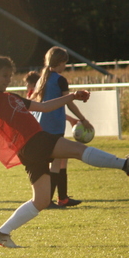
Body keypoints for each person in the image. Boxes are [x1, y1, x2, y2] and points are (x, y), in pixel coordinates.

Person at [0, 55, 129, 248]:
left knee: (41, 200)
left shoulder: (10, 96)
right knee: (78, 150)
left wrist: (72, 96)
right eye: (4, 75)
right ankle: (125, 164)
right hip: (34, 142)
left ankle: (1, 233)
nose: (8, 80)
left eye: (10, 76)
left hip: (29, 148)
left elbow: (44, 107)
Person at [30, 48, 92, 209]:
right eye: (65, 63)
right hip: (54, 125)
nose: (65, 66)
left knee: (59, 160)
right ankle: (48, 201)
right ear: (61, 62)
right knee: (56, 162)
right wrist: (83, 119)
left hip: (40, 125)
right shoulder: (60, 80)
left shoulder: (42, 79)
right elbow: (69, 103)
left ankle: (63, 197)